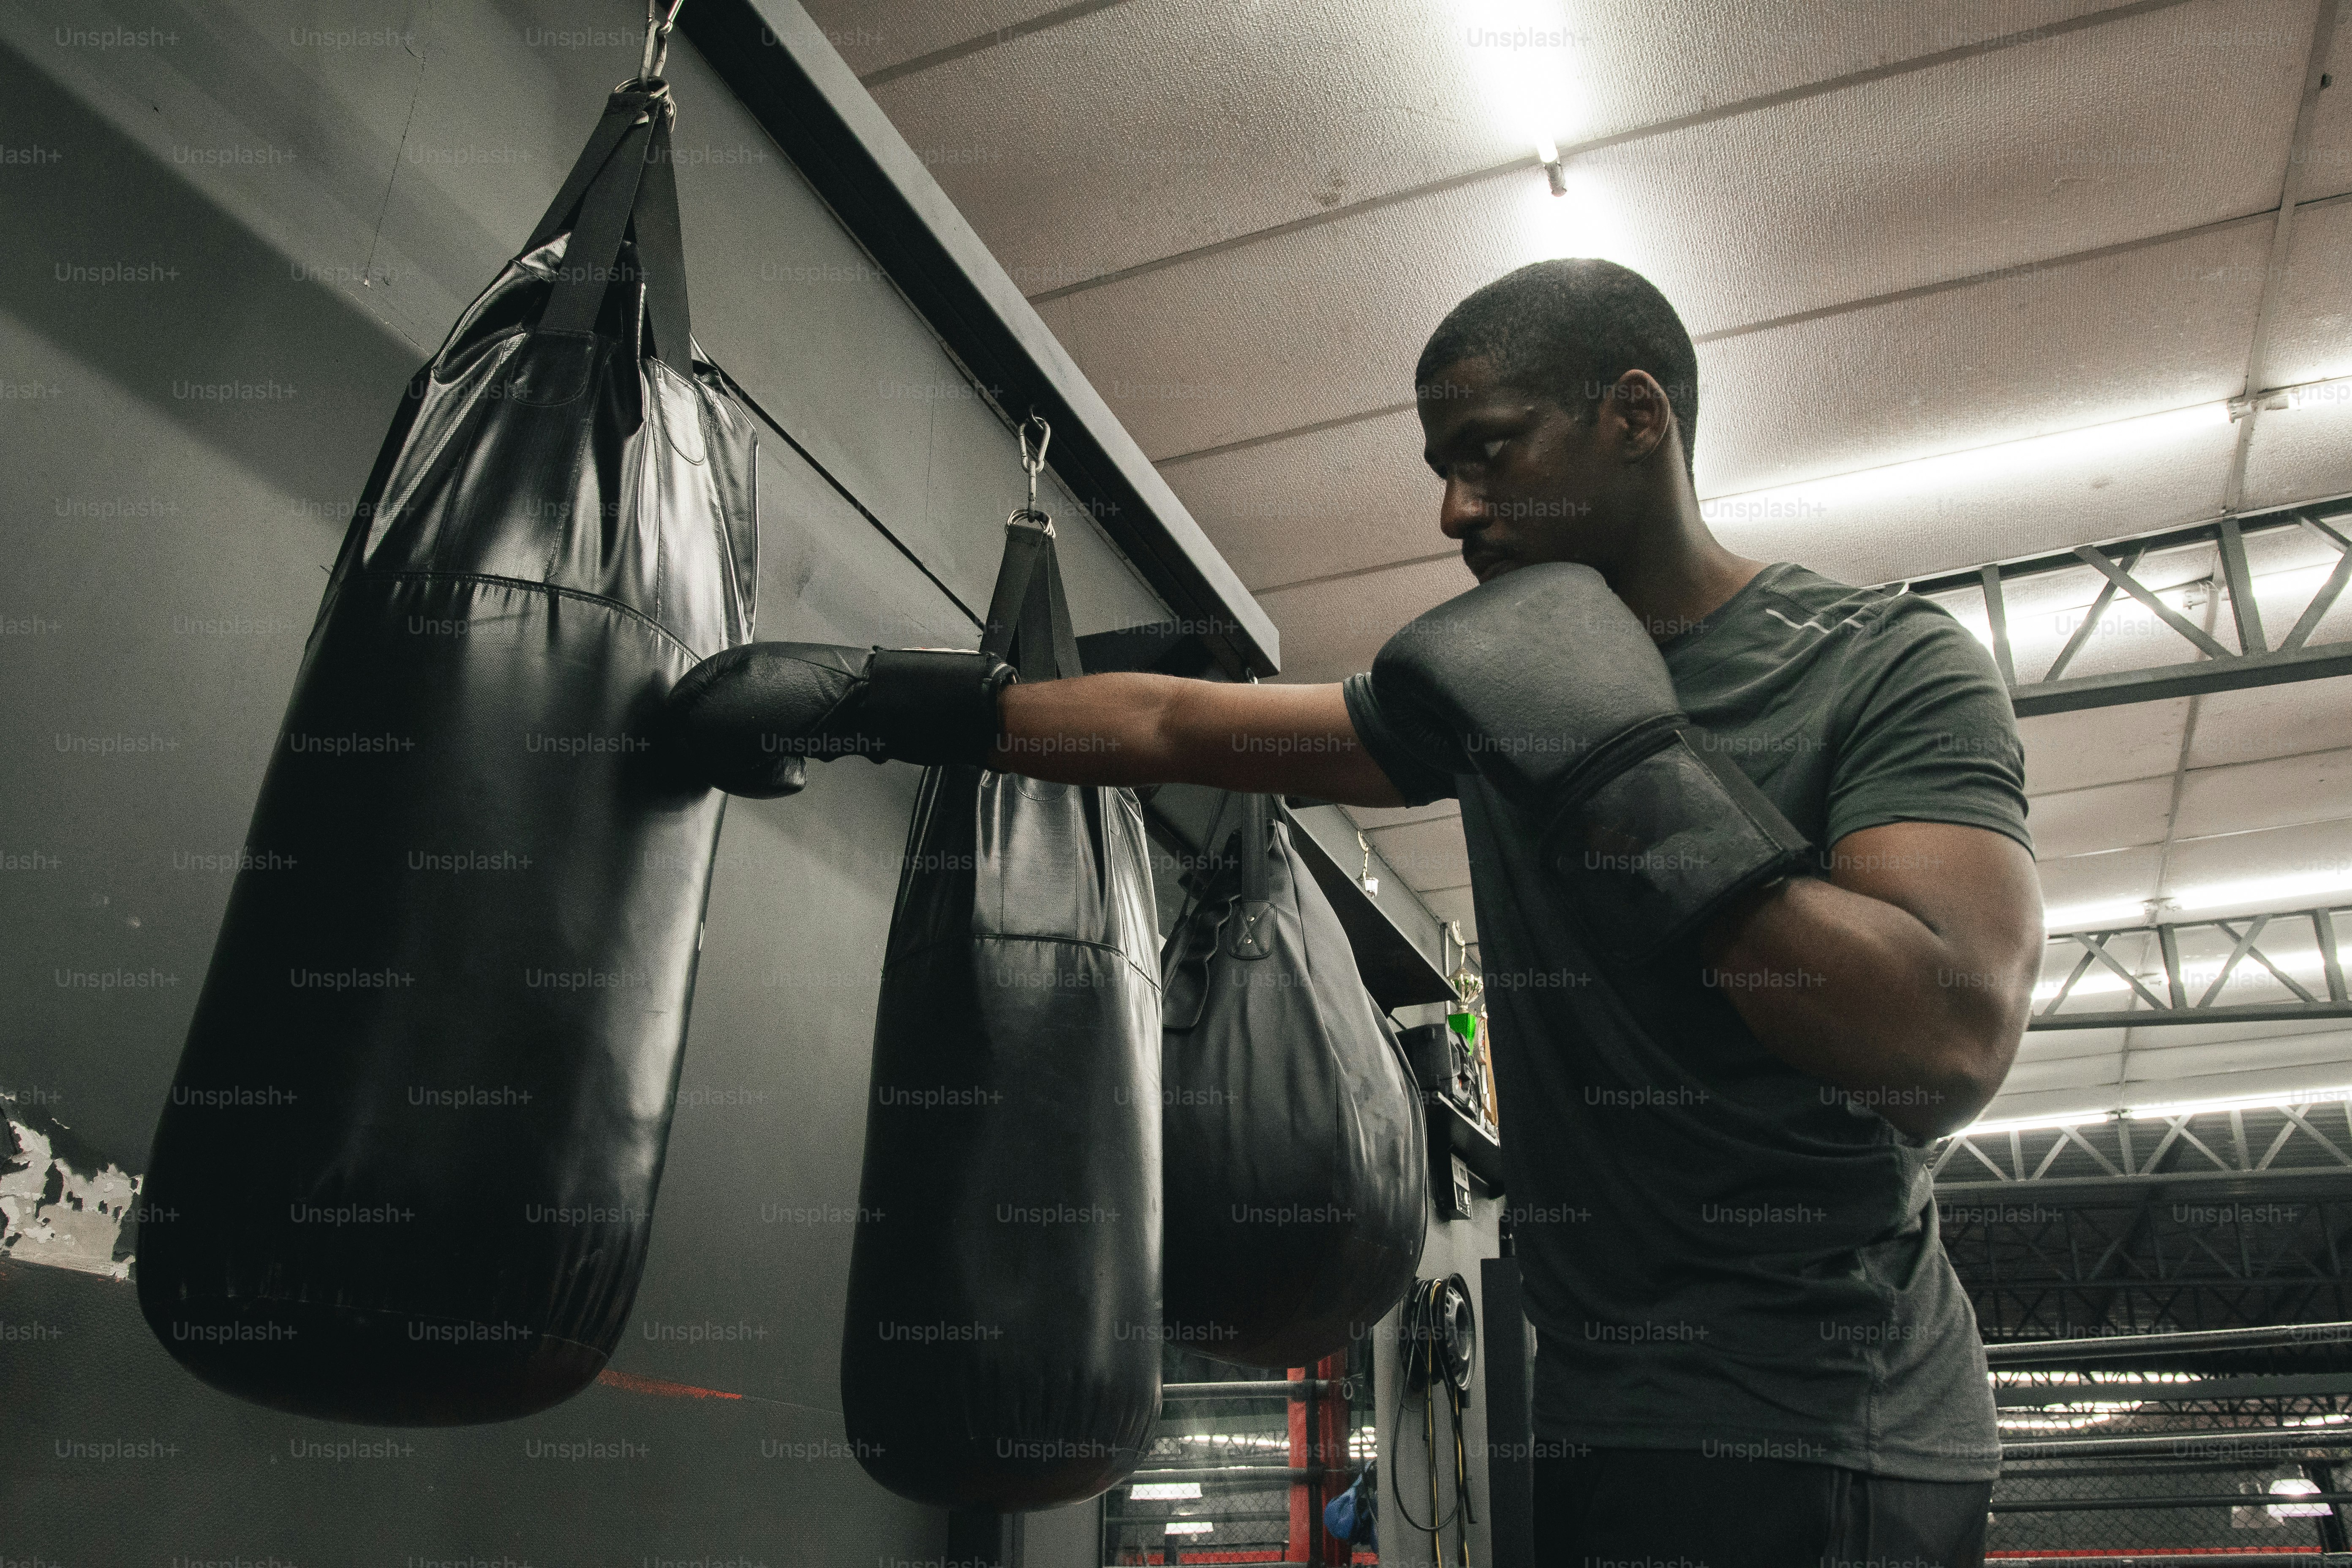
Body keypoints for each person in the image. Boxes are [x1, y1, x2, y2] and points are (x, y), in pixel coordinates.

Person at [666, 257, 2042, 1567]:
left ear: (1637, 416)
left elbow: (1938, 1044)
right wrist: (876, 703)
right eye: (1441, 468)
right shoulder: (1493, 689)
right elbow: (1171, 721)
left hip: (1832, 1423)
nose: (1453, 511)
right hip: (1605, 1403)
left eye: (1491, 450)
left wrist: (1627, 774)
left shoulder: (1883, 664)